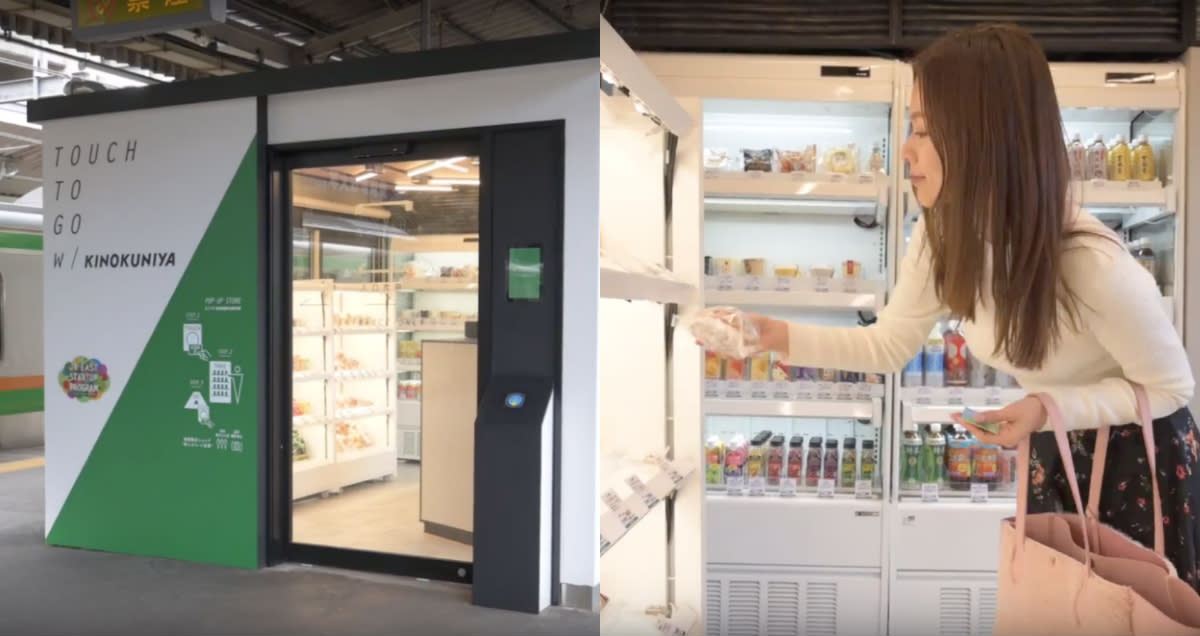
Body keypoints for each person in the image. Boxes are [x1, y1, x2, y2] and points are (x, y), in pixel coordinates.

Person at [728, 24, 1200, 585]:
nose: (906, 149)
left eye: (924, 130)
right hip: (1055, 444)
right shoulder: (942, 233)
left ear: (987, 138)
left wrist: (1047, 408)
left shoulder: (1091, 264)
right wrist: (772, 334)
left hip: (1137, 461)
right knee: (1052, 603)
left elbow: (1172, 389)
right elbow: (889, 344)